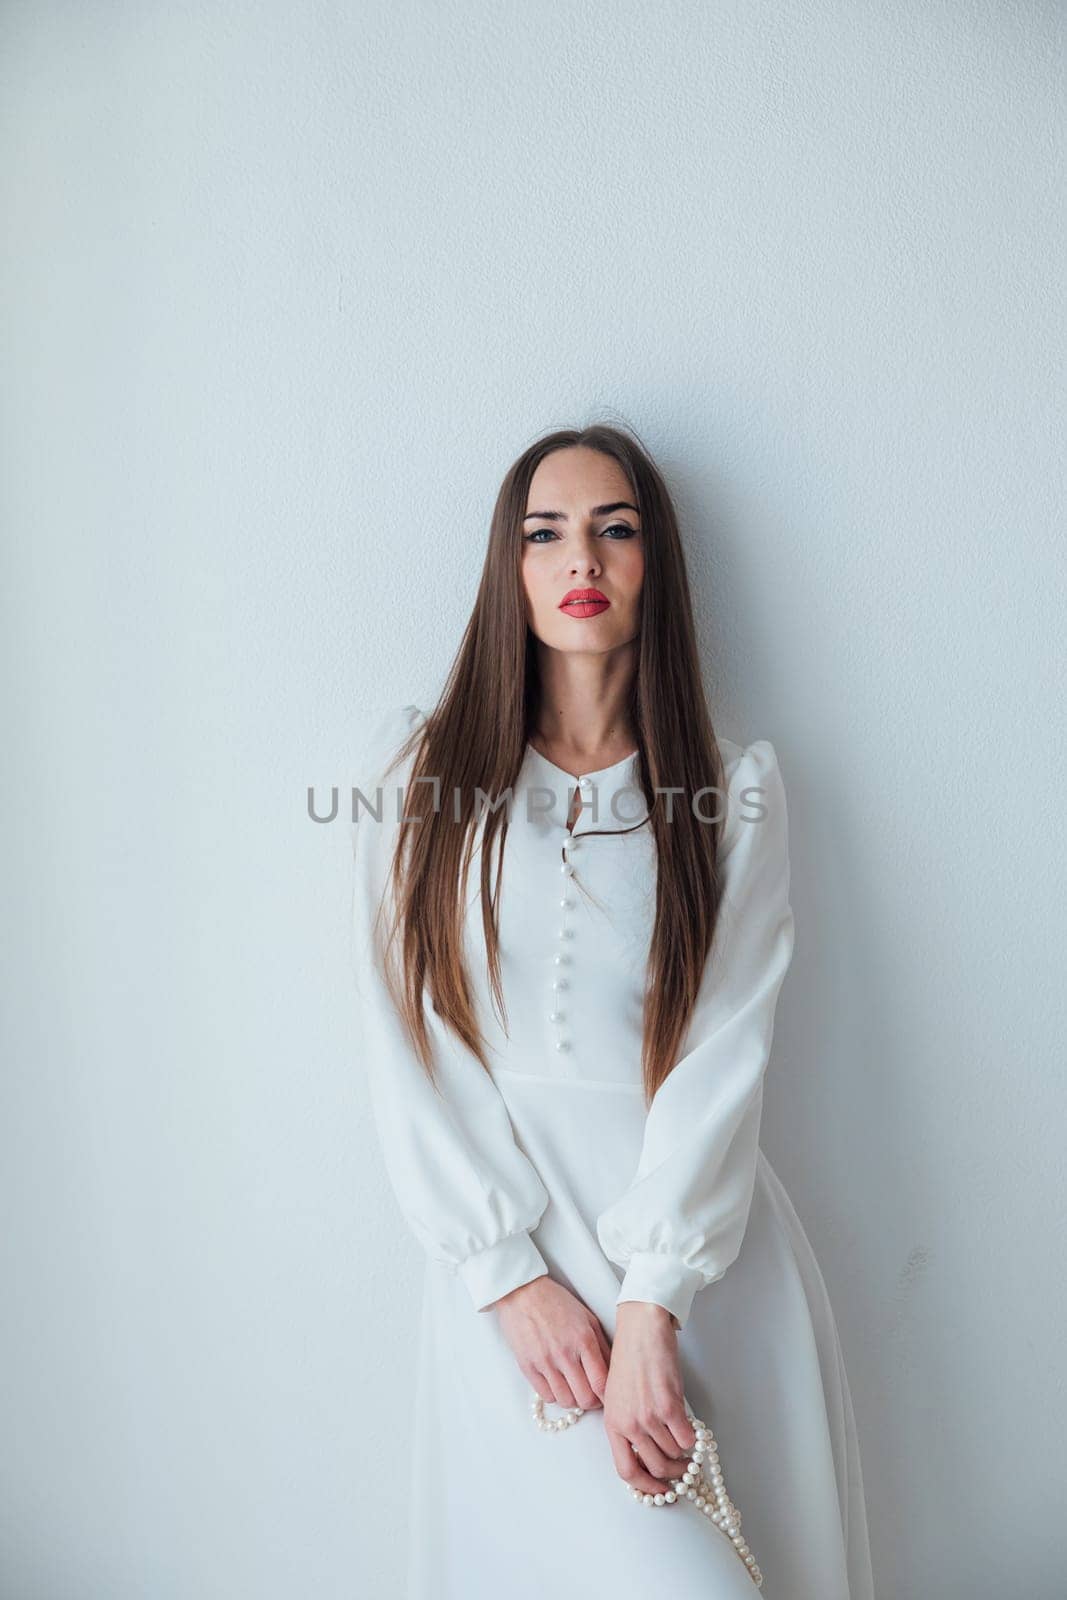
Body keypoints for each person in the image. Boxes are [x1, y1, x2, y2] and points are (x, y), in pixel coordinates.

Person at [348, 424, 875, 1598]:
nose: (578, 553)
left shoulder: (733, 795)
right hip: (511, 1297)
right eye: (545, 532)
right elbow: (408, 1040)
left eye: (614, 527)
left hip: (697, 1279)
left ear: (655, 565)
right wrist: (505, 1271)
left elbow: (722, 1052)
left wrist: (652, 1305)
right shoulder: (419, 786)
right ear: (511, 567)